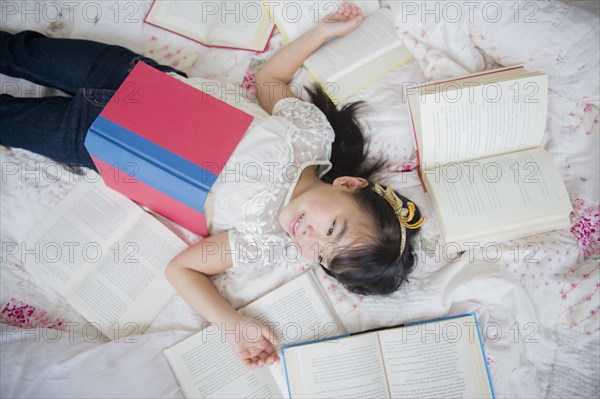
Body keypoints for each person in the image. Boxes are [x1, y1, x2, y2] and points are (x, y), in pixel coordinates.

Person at [1, 2, 424, 368]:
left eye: (321, 255)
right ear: (349, 183)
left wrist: (232, 322)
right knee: (25, 52)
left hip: (103, 144)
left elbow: (182, 268)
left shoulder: (261, 238)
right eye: (332, 229)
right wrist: (320, 32)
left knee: (11, 122)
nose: (309, 238)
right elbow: (269, 81)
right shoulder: (312, 138)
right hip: (134, 81)